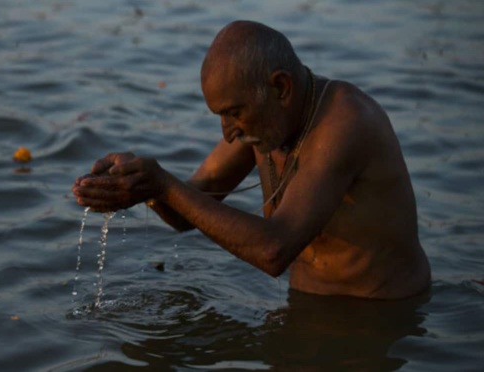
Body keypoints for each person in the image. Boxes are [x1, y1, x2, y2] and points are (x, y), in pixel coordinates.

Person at [72, 20, 431, 299]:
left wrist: (162, 183)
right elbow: (195, 201)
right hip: (304, 310)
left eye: (233, 113)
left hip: (378, 320)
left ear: (281, 89)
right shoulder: (265, 121)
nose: (228, 132)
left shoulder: (346, 122)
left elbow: (274, 250)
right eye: (220, 116)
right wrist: (137, 185)